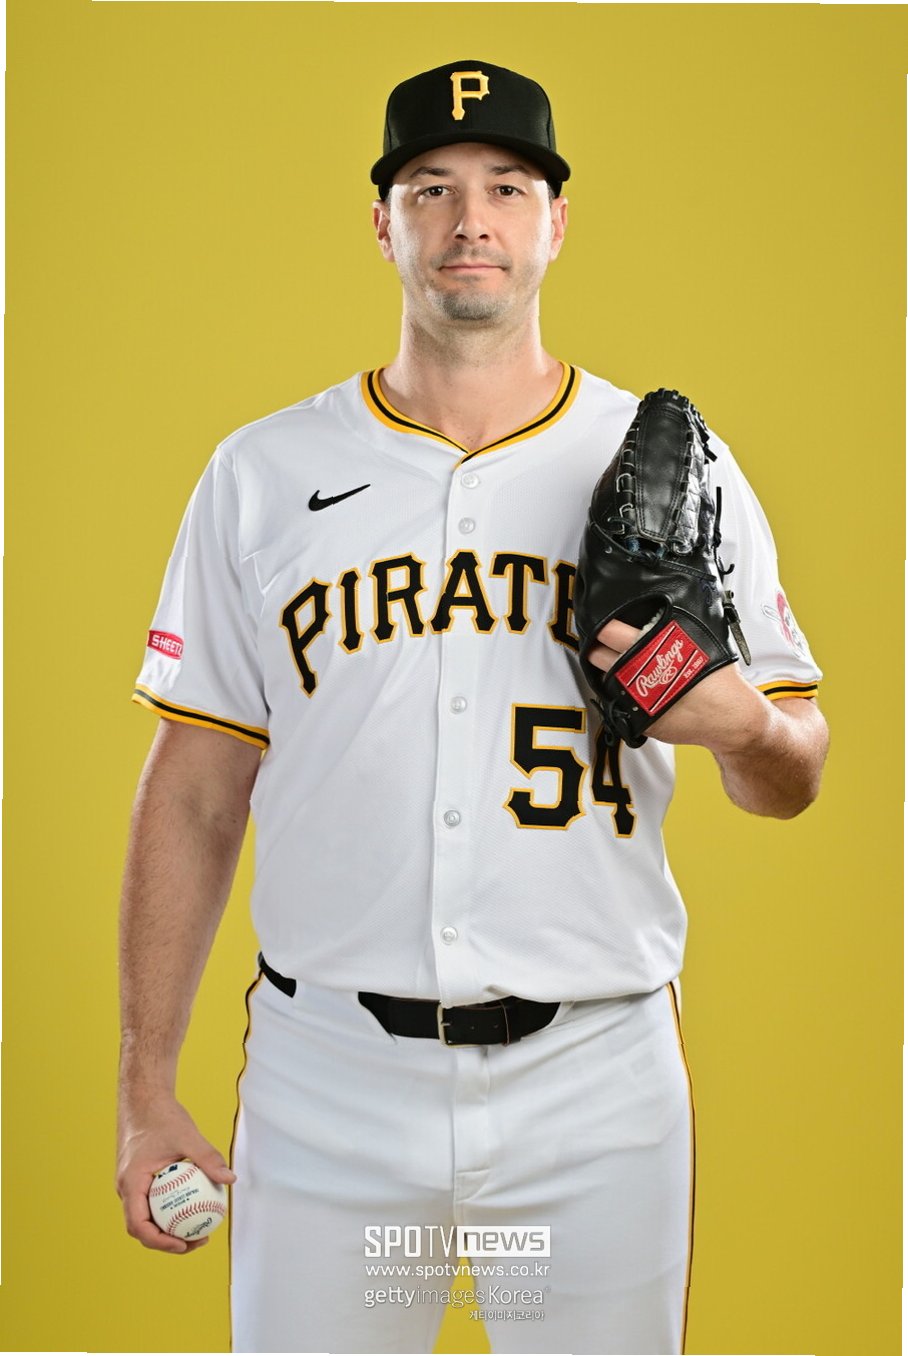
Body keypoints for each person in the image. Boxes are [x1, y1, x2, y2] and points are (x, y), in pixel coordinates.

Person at [116, 58, 829, 1356]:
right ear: (382, 224)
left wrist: (747, 728)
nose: (470, 221)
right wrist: (142, 1087)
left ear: (556, 223)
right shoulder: (262, 473)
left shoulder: (668, 462)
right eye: (430, 189)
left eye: (507, 187)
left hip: (594, 1085)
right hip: (328, 1077)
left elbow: (793, 770)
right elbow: (196, 792)